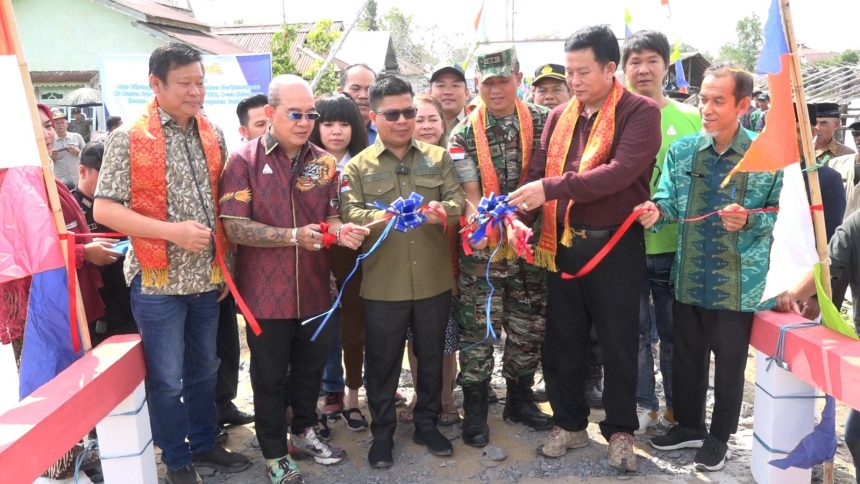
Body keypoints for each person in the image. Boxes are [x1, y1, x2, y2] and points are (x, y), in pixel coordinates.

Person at [94, 43, 251, 484]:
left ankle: (204, 444)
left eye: (200, 82)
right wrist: (171, 232)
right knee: (167, 379)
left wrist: (228, 263)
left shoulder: (212, 132)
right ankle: (177, 461)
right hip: (157, 281)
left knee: (206, 370)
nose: (196, 91)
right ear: (155, 84)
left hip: (207, 277)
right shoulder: (128, 137)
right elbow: (104, 209)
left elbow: (223, 207)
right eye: (185, 83)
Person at [507, 25, 662, 471]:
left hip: (614, 247)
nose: (573, 82)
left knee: (618, 344)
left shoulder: (639, 112)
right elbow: (537, 171)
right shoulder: (558, 117)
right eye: (569, 72)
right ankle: (569, 423)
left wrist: (549, 188)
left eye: (582, 71)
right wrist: (520, 216)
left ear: (611, 69)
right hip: (562, 246)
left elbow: (619, 173)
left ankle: (619, 432)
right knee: (562, 342)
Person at [220, 75, 368, 483]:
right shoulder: (243, 161)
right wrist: (291, 237)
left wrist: (343, 232)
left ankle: (304, 430)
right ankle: (273, 452)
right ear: (270, 114)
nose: (304, 122)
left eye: (310, 115)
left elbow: (332, 219)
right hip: (264, 294)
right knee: (268, 377)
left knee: (309, 370)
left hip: (316, 288)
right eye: (295, 114)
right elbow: (233, 227)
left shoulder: (324, 162)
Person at [636, 65, 782, 472]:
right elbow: (666, 200)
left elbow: (785, 217)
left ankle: (719, 437)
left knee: (731, 364)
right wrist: (654, 211)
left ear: (743, 104)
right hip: (687, 279)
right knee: (686, 358)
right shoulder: (684, 151)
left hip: (737, 285)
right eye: (704, 99)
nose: (707, 108)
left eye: (719, 101)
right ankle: (689, 425)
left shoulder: (766, 157)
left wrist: (752, 219)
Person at [340, 75, 464, 468]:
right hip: (383, 283)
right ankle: (383, 434)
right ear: (374, 117)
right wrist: (387, 215)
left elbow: (458, 201)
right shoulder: (358, 166)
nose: (403, 120)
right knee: (383, 360)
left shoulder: (437, 158)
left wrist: (440, 212)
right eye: (392, 114)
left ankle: (427, 423)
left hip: (432, 279)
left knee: (430, 357)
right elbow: (350, 213)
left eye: (409, 112)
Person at [448, 43, 553, 449]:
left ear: (518, 80)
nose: (495, 90)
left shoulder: (546, 122)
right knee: (478, 331)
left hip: (531, 248)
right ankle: (475, 409)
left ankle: (520, 400)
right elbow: (469, 192)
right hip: (485, 251)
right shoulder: (462, 133)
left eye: (503, 81)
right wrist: (488, 222)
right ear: (478, 84)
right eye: (487, 82)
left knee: (529, 328)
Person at [621, 29, 702, 434]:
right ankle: (643, 404)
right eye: (634, 62)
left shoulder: (689, 119)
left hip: (675, 247)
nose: (643, 69)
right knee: (634, 334)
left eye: (652, 60)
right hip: (626, 246)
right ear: (622, 69)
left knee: (675, 335)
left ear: (666, 66)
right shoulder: (613, 119)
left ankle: (677, 408)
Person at [398, 93, 461, 427]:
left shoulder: (455, 159)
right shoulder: (398, 162)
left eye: (431, 119)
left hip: (449, 262)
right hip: (409, 264)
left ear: (443, 123)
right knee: (415, 336)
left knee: (446, 335)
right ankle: (422, 395)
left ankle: (447, 397)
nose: (424, 126)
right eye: (417, 119)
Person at [309, 92, 370, 432]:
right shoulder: (304, 164)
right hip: (314, 260)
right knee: (320, 330)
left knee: (353, 330)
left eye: (344, 124)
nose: (335, 131)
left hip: (355, 260)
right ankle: (324, 395)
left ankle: (353, 397)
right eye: (327, 123)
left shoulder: (364, 163)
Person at [71, 141, 138, 347]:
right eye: (105, 174)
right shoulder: (70, 209)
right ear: (83, 171)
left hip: (131, 297)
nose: (112, 181)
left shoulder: (125, 205)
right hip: (98, 308)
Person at [428, 63, 471, 139]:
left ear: (467, 93)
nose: (448, 92)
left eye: (455, 85)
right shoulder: (417, 127)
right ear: (429, 93)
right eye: (441, 85)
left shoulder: (480, 123)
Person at [338, 63, 377, 144]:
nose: (363, 96)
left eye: (369, 89)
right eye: (355, 88)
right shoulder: (325, 133)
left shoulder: (385, 134)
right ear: (340, 92)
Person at [50, 109, 86, 188]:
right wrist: (51, 157)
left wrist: (78, 152)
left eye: (62, 122)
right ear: (53, 125)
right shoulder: (50, 141)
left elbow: (87, 156)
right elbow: (45, 161)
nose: (60, 125)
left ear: (67, 124)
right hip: (61, 181)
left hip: (78, 179)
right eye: (57, 123)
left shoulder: (77, 137)